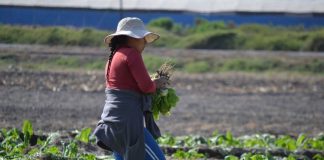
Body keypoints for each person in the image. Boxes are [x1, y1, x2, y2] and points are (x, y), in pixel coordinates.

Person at [92, 17, 168, 160]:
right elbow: (146, 87)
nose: (145, 42)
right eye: (141, 37)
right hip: (127, 124)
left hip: (112, 122)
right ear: (128, 38)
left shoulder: (113, 57)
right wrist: (157, 83)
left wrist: (152, 82)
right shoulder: (131, 54)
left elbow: (125, 86)